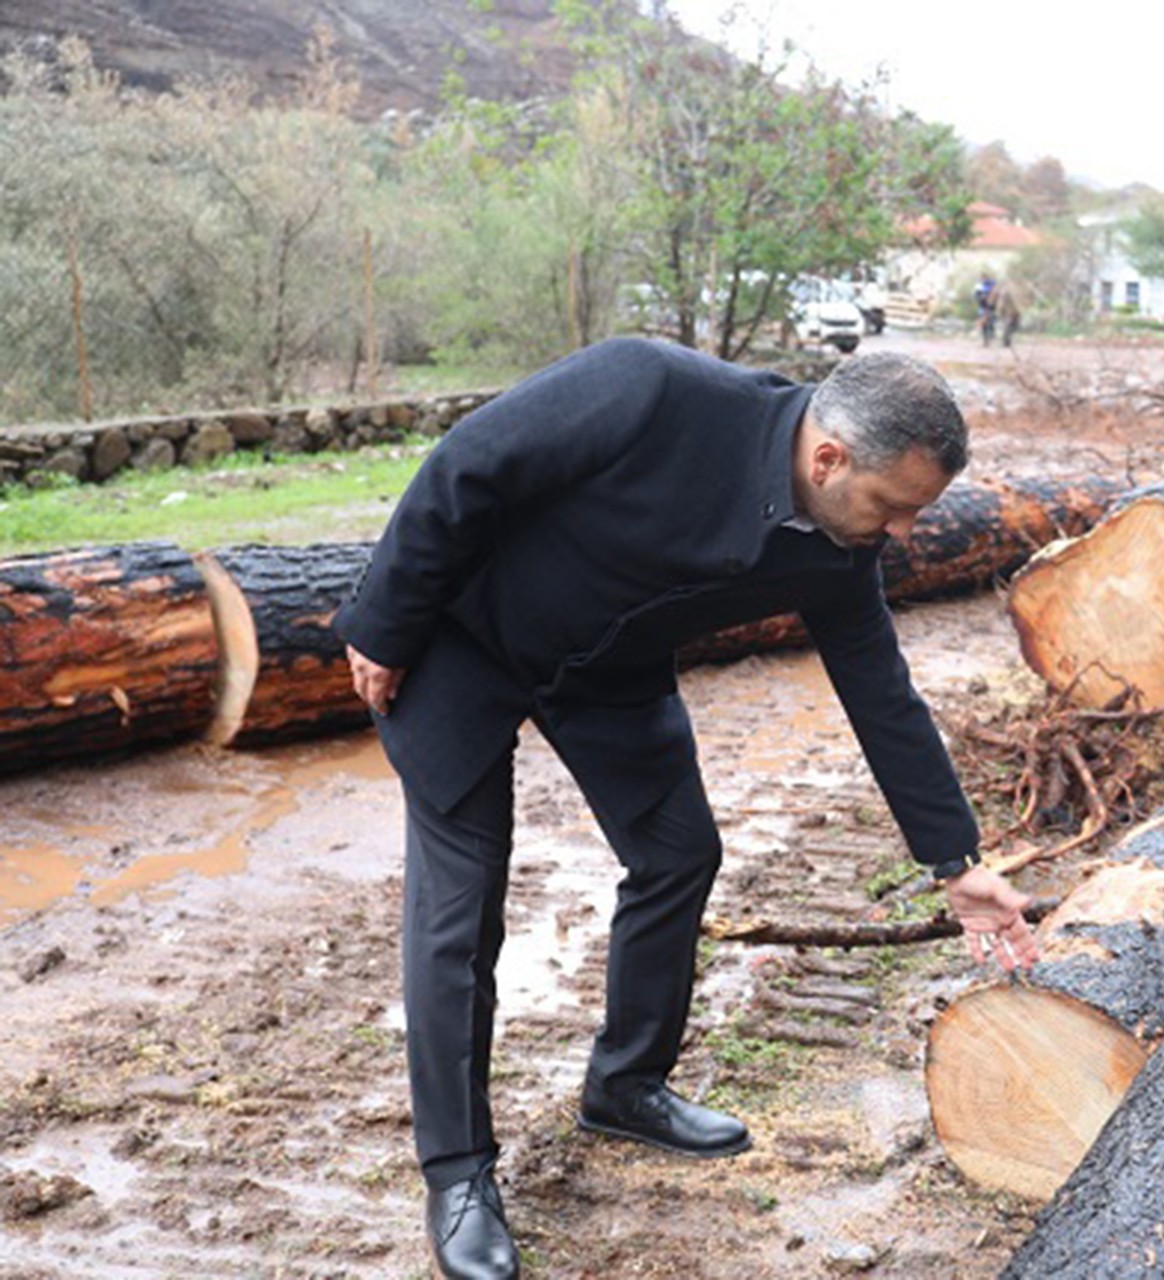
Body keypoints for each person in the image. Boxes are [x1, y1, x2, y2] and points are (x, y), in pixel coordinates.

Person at [332, 338, 1040, 1280]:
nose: (904, 531)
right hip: (460, 641)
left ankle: (626, 1086)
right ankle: (458, 1173)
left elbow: (880, 689)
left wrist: (955, 862)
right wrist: (383, 623)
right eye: (896, 507)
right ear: (828, 458)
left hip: (608, 674)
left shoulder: (837, 543)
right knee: (460, 911)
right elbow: (468, 465)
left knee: (679, 855)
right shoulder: (649, 390)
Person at [987, 278, 1022, 349]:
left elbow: (994, 301)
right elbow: (992, 301)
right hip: (1007, 311)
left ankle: (1006, 341)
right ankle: (1005, 341)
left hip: (1011, 311)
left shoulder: (1005, 292)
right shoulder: (1000, 291)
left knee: (1011, 326)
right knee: (1008, 326)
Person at [974, 272, 997, 345]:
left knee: (990, 321)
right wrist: (981, 298)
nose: (981, 279)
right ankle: (986, 340)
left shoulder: (991, 284)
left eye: (982, 278)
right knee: (984, 322)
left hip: (990, 307)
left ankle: (991, 335)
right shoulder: (979, 285)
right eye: (981, 278)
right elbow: (976, 295)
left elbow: (995, 295)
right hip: (983, 306)